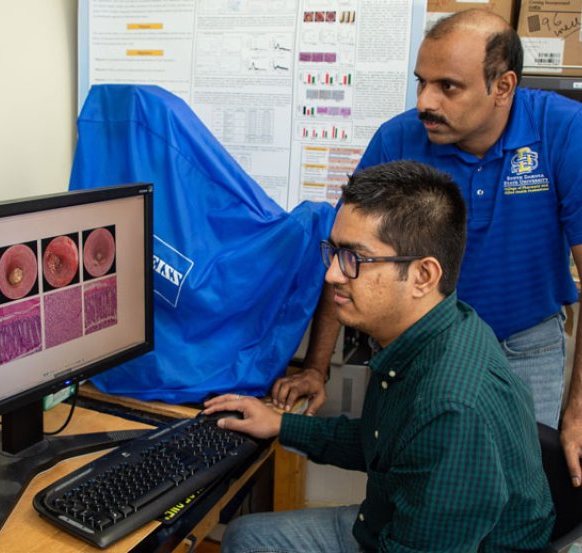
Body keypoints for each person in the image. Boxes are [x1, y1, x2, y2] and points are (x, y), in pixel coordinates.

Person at [272, 8, 582, 486]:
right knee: (411, 492)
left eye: (447, 87)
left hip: (526, 345)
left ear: (502, 87)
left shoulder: (563, 131)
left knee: (518, 487)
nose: (424, 102)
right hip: (417, 351)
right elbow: (345, 257)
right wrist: (317, 368)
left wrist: (578, 409)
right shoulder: (398, 139)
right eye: (421, 82)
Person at [207, 160, 554, 552]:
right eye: (334, 252)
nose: (332, 275)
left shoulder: (452, 408)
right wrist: (282, 425)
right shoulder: (436, 330)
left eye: (355, 258)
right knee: (246, 536)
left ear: (423, 276)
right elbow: (383, 442)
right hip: (391, 521)